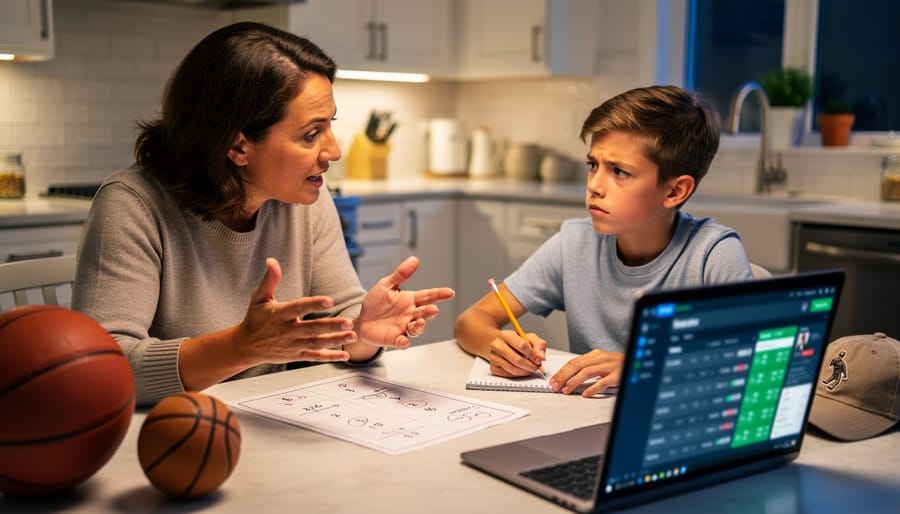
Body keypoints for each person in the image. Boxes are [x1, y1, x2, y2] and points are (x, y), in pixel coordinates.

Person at [72, 22, 454, 407]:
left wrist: (363, 331)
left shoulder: (305, 198)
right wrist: (242, 346)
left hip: (264, 421)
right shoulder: (132, 205)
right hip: (164, 434)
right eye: (311, 134)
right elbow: (102, 369)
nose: (334, 151)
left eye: (330, 126)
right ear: (238, 146)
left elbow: (342, 319)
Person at [454, 85, 752, 397]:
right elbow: (470, 320)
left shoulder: (713, 254)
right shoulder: (574, 243)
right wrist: (498, 346)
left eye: (619, 172)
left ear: (675, 191)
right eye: (593, 165)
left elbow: (753, 358)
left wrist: (639, 366)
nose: (595, 185)